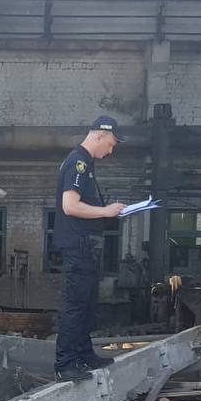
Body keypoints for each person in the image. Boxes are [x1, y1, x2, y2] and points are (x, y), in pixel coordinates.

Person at [53, 116, 126, 381]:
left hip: (87, 247)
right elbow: (70, 206)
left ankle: (83, 354)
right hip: (79, 246)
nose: (111, 150)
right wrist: (106, 211)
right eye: (111, 143)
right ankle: (65, 364)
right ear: (98, 135)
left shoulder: (86, 164)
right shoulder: (78, 163)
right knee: (76, 305)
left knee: (87, 305)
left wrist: (108, 212)